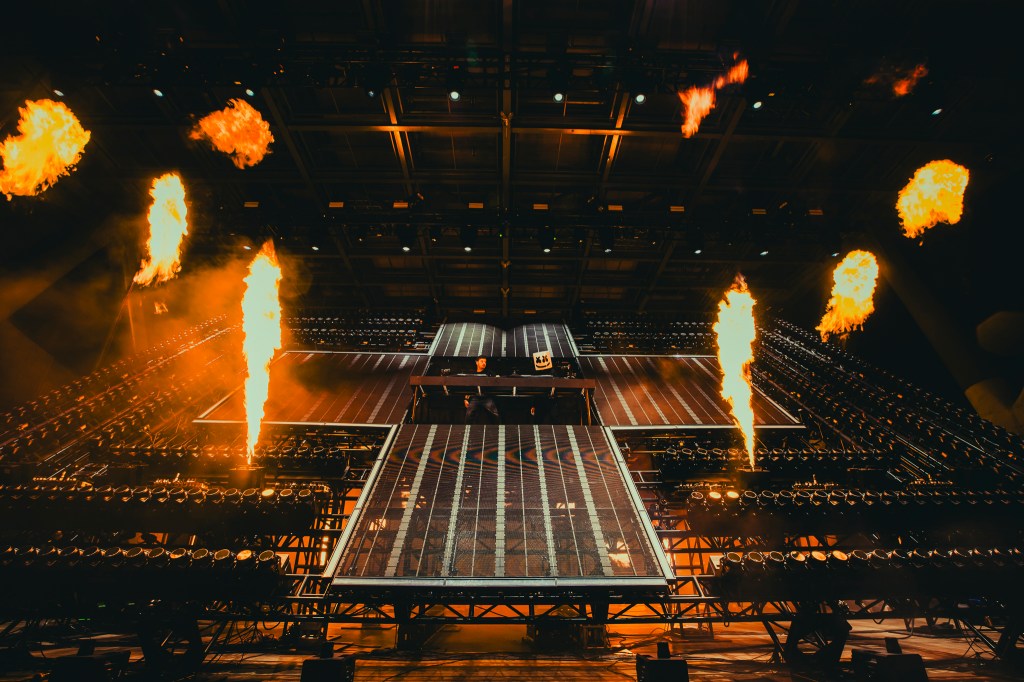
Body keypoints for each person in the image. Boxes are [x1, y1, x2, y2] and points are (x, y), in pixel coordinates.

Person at [464, 355, 499, 423]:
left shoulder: (489, 373)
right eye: (482, 361)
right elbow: (468, 387)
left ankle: (498, 430)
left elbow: (497, 379)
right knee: (468, 415)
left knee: (495, 415)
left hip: (486, 397)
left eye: (485, 362)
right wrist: (465, 399)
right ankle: (467, 431)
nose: (484, 363)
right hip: (475, 397)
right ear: (477, 362)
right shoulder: (472, 374)